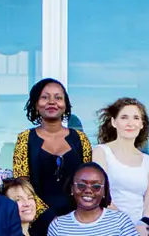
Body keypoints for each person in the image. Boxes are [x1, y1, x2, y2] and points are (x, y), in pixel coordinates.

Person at [12, 78, 93, 219]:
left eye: (58, 98)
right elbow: (22, 185)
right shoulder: (24, 139)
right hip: (37, 221)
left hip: (77, 220)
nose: (52, 102)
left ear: (65, 105)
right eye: (44, 97)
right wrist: (48, 217)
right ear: (36, 104)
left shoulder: (81, 139)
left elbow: (88, 181)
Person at [95, 98, 149, 236]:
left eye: (136, 118)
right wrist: (130, 228)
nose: (130, 123)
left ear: (142, 124)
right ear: (113, 122)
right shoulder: (101, 152)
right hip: (109, 231)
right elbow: (100, 195)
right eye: (124, 117)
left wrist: (144, 225)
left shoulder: (147, 161)